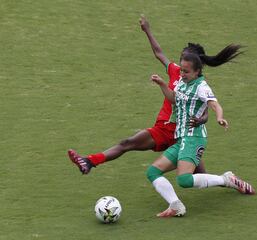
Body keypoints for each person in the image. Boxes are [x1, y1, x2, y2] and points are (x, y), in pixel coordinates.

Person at [68, 15, 244, 175]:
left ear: (194, 64)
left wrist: (205, 119)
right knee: (198, 177)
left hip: (175, 131)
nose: (180, 61)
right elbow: (159, 53)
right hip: (169, 129)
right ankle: (89, 161)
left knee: (130, 146)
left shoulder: (198, 85)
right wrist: (148, 31)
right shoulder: (177, 71)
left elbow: (204, 111)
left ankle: (90, 161)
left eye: (184, 58)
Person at [147, 53, 255, 218]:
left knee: (184, 180)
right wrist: (162, 84)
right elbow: (174, 99)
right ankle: (176, 206)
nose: (182, 74)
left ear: (197, 71)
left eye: (186, 71)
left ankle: (227, 180)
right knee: (153, 172)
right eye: (181, 70)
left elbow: (215, 105)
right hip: (182, 138)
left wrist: (220, 118)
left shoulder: (201, 87)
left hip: (194, 138)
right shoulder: (182, 84)